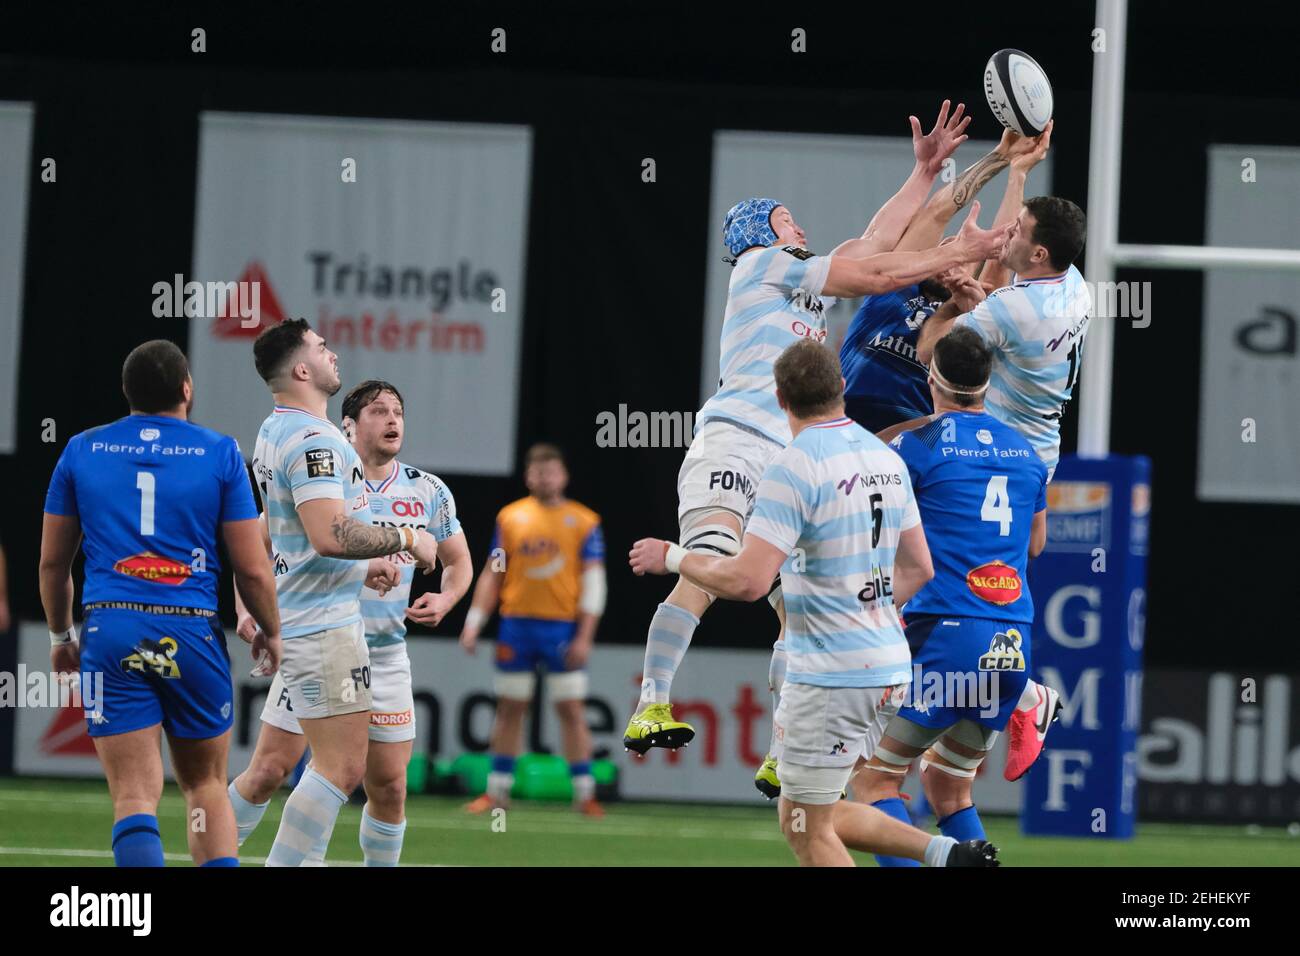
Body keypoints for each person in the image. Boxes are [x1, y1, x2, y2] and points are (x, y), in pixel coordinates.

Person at [622, 102, 1015, 759]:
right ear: (760, 230)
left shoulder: (800, 279)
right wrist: (960, 250)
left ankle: (782, 750)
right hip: (736, 439)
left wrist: (932, 173)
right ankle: (650, 704)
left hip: (789, 456)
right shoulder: (764, 267)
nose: (798, 225)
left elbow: (882, 239)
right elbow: (878, 271)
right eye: (785, 218)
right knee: (713, 568)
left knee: (795, 607)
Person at [630, 339, 997, 867]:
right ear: (842, 387)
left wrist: (674, 558)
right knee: (821, 812)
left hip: (831, 676)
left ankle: (945, 856)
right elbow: (920, 566)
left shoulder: (792, 466)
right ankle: (948, 854)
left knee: (802, 827)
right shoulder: (885, 455)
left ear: (780, 399)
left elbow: (748, 581)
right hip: (890, 665)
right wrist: (872, 607)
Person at [39, 339, 281, 867]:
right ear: (186, 389)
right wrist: (272, 630)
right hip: (191, 631)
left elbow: (54, 565)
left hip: (112, 630)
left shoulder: (81, 449)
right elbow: (252, 567)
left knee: (132, 796)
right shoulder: (218, 451)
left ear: (126, 393)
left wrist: (61, 637)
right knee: (205, 788)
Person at [228, 379, 472, 865]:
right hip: (322, 640)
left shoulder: (427, 490)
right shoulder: (327, 476)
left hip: (383, 656)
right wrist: (244, 608)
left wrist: (447, 599)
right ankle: (216, 855)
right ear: (349, 424)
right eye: (379, 411)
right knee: (270, 770)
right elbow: (256, 543)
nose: (393, 420)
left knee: (389, 787)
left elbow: (459, 561)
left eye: (398, 411)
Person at [914, 122, 1084, 776]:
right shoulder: (1070, 287)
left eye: (1018, 233)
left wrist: (949, 301)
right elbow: (1003, 310)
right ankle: (999, 695)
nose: (1007, 232)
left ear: (1039, 256)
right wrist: (1019, 171)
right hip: (1036, 452)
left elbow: (939, 353)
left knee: (961, 576)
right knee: (1012, 568)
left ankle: (1023, 693)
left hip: (1002, 450)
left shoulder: (1013, 311)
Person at [853, 327, 1048, 864]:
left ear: (932, 377)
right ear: (989, 382)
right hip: (1011, 638)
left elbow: (874, 522)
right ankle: (1031, 697)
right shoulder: (1026, 452)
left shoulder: (917, 445)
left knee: (874, 782)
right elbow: (1036, 544)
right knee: (948, 786)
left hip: (945, 632)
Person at [460, 444, 607, 817]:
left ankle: (585, 794)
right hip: (517, 627)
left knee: (571, 710)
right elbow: (494, 573)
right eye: (539, 472)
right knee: (510, 709)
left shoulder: (584, 521)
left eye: (552, 472)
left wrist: (585, 635)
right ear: (528, 476)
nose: (546, 478)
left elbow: (594, 583)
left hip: (561, 628)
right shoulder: (510, 518)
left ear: (564, 476)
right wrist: (474, 623)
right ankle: (497, 793)